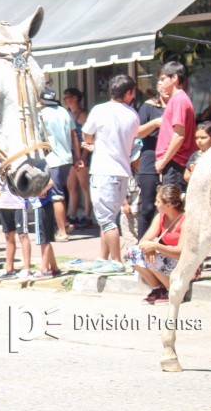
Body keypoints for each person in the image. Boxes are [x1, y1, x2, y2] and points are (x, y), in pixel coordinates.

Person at [81, 74, 140, 276]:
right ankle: (103, 258)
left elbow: (86, 133)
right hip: (123, 171)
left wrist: (92, 143)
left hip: (103, 170)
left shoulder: (100, 110)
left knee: (106, 221)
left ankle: (116, 261)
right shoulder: (133, 115)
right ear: (129, 92)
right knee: (108, 218)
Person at [125, 184, 189, 304]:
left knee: (154, 259)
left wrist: (156, 246)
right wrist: (149, 249)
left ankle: (174, 290)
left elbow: (181, 252)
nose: (155, 204)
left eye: (158, 201)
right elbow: (143, 241)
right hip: (168, 257)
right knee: (134, 252)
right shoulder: (160, 217)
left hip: (185, 261)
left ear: (169, 205)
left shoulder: (186, 220)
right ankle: (158, 289)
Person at [39, 88, 81, 241]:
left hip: (52, 160)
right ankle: (65, 222)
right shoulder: (64, 111)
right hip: (66, 159)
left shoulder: (42, 115)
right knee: (61, 192)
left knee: (56, 196)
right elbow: (74, 134)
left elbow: (38, 137)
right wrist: (77, 157)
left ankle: (62, 231)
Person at [155, 61, 197, 191]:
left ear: (174, 78)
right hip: (173, 163)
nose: (160, 83)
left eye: (163, 79)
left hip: (176, 164)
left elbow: (179, 135)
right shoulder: (178, 99)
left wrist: (164, 160)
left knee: (173, 208)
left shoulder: (179, 100)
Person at [135, 87, 167, 238]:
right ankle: (142, 246)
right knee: (148, 206)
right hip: (150, 158)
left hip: (171, 158)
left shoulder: (179, 104)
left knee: (170, 205)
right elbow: (138, 132)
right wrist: (155, 123)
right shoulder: (149, 106)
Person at [63, 87, 92, 228]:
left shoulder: (83, 114)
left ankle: (88, 216)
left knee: (84, 186)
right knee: (71, 186)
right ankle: (72, 214)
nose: (65, 100)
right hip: (71, 153)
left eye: (67, 97)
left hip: (81, 152)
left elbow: (89, 137)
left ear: (75, 98)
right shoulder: (67, 113)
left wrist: (84, 155)